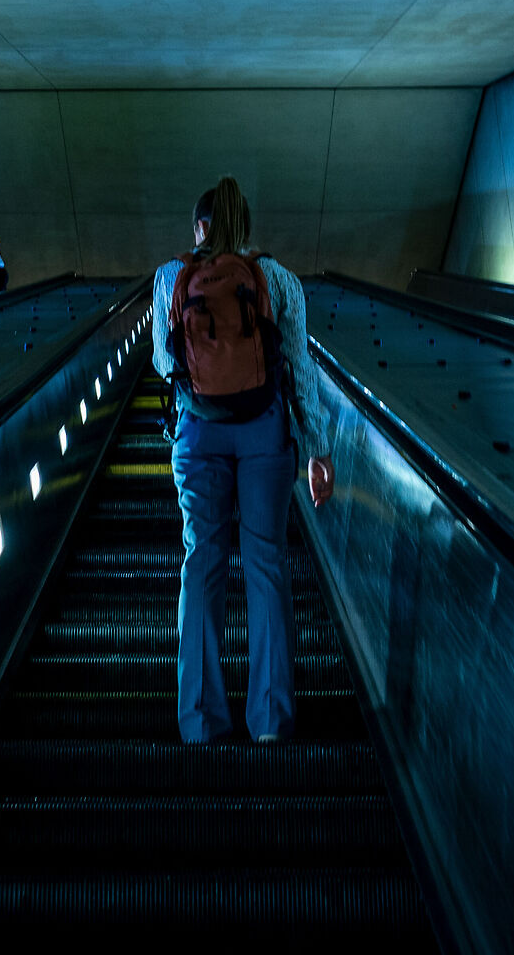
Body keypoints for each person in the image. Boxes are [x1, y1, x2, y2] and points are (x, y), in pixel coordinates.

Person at [150, 177, 333, 746]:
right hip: (265, 437)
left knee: (201, 564)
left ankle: (201, 722)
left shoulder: (169, 278)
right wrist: (318, 448)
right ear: (245, 228)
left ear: (200, 229)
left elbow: (162, 361)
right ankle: (271, 723)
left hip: (198, 435)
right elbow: (298, 369)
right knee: (266, 567)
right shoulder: (277, 279)